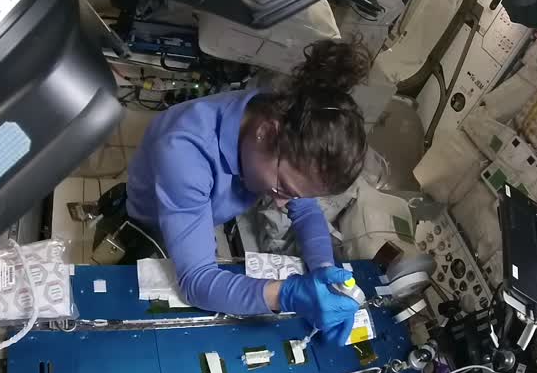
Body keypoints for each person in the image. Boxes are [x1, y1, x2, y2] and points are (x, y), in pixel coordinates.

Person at [125, 39, 370, 345]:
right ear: (265, 133)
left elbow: (306, 208)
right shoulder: (184, 153)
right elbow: (197, 281)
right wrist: (288, 295)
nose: (282, 202)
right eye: (283, 188)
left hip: (202, 207)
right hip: (151, 224)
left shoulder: (278, 115)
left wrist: (323, 271)